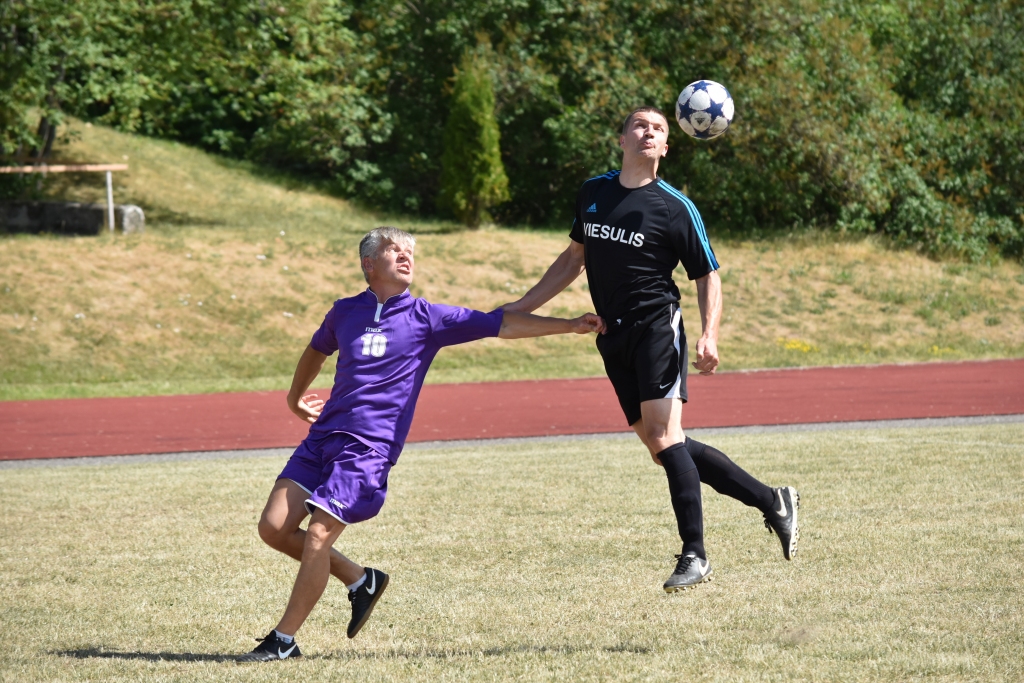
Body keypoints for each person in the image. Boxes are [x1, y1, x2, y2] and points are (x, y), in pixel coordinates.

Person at [238, 226, 604, 662]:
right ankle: (360, 579)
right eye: (395, 250)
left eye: (410, 250)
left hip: (367, 447)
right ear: (368, 264)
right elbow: (316, 350)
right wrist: (295, 397)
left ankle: (284, 640)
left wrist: (569, 325)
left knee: (318, 534)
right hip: (322, 439)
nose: (406, 256)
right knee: (273, 528)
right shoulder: (344, 312)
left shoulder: (427, 317)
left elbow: (501, 322)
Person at [504, 107, 799, 592]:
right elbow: (573, 258)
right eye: (640, 125)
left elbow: (706, 274)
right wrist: (523, 305)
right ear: (621, 138)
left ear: (666, 146)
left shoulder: (674, 206)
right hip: (611, 334)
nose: (649, 132)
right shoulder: (593, 193)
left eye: (659, 129)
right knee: (663, 448)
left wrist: (709, 334)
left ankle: (695, 554)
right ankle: (773, 500)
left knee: (665, 437)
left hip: (657, 326)